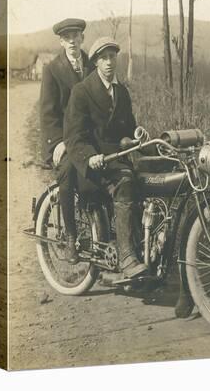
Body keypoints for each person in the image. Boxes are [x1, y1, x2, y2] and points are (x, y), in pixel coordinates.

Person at [63, 37, 147, 279]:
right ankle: (126, 256)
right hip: (94, 165)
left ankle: (143, 248)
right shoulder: (81, 91)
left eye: (112, 57)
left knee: (145, 183)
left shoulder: (121, 92)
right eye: (103, 58)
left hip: (116, 158)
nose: (109, 62)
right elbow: (74, 136)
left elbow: (127, 128)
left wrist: (136, 134)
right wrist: (90, 157)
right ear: (95, 62)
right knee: (124, 184)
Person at [39, 18, 94, 263]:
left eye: (76, 36)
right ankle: (71, 235)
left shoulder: (93, 64)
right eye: (67, 37)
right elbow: (48, 112)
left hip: (90, 138)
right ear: (61, 41)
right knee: (68, 173)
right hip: (64, 140)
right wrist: (57, 142)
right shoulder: (53, 69)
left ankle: (105, 232)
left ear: (82, 38)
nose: (72, 41)